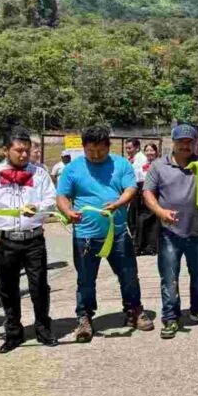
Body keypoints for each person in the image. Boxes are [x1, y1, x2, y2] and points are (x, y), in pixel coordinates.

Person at [57, 126, 155, 343]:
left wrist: (119, 202)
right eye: (90, 151)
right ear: (83, 147)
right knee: (85, 280)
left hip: (118, 234)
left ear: (108, 147)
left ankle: (134, 310)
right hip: (85, 235)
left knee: (129, 276)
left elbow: (130, 188)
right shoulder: (72, 169)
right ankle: (84, 318)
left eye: (100, 151)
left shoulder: (120, 164)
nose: (95, 155)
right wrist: (67, 211)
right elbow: (62, 196)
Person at [0, 128, 58, 353]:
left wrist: (38, 208)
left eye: (27, 151)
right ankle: (13, 333)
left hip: (34, 240)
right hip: (4, 241)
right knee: (7, 289)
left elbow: (51, 200)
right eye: (19, 151)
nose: (23, 155)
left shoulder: (39, 174)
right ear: (5, 150)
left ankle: (43, 328)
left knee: (39, 286)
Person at [141, 125, 198, 339]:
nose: (186, 145)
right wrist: (160, 211)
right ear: (173, 143)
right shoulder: (158, 166)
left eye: (190, 141)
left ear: (195, 143)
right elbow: (148, 193)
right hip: (170, 231)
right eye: (181, 141)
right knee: (169, 277)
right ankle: (170, 317)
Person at [134, 144, 160, 256]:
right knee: (141, 219)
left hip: (156, 193)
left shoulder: (160, 165)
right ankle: (140, 246)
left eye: (152, 150)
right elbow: (137, 179)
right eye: (147, 150)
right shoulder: (141, 166)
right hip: (143, 193)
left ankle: (152, 246)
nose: (149, 152)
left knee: (155, 221)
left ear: (156, 152)